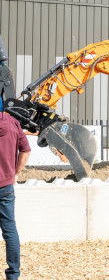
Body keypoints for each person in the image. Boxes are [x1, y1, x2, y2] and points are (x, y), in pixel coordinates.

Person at [0, 111, 31, 280]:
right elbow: (25, 150)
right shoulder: (13, 123)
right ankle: (13, 275)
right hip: (5, 185)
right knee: (10, 230)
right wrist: (16, 173)